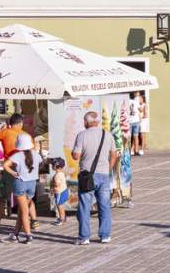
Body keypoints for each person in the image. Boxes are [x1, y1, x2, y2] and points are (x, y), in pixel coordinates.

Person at [71, 111, 117, 245]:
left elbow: (75, 156)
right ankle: (105, 235)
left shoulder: (82, 135)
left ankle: (84, 237)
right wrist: (108, 169)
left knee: (85, 206)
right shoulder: (107, 134)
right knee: (104, 206)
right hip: (103, 175)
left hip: (87, 176)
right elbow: (114, 154)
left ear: (86, 122)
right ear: (97, 121)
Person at [0, 113, 26, 232]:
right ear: (20, 123)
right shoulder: (26, 135)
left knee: (1, 197)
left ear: (10, 123)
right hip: (24, 169)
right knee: (24, 197)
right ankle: (27, 223)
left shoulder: (5, 132)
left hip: (9, 169)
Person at [3, 133, 41, 244]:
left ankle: (28, 236)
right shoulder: (36, 155)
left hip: (20, 183)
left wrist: (13, 173)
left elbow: (5, 165)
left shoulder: (17, 156)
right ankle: (15, 234)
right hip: (32, 184)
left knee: (24, 211)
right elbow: (40, 162)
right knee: (22, 210)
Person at [50, 158, 68, 226]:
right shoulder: (61, 173)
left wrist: (52, 183)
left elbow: (57, 184)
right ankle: (63, 217)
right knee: (61, 205)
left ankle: (61, 219)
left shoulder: (57, 175)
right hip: (64, 191)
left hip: (59, 192)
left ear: (55, 166)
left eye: (52, 165)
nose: (51, 166)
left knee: (59, 206)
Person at [127, 93, 142, 157]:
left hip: (129, 121)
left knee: (129, 137)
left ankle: (128, 151)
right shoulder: (136, 102)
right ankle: (136, 151)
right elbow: (140, 110)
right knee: (136, 137)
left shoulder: (127, 102)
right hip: (136, 121)